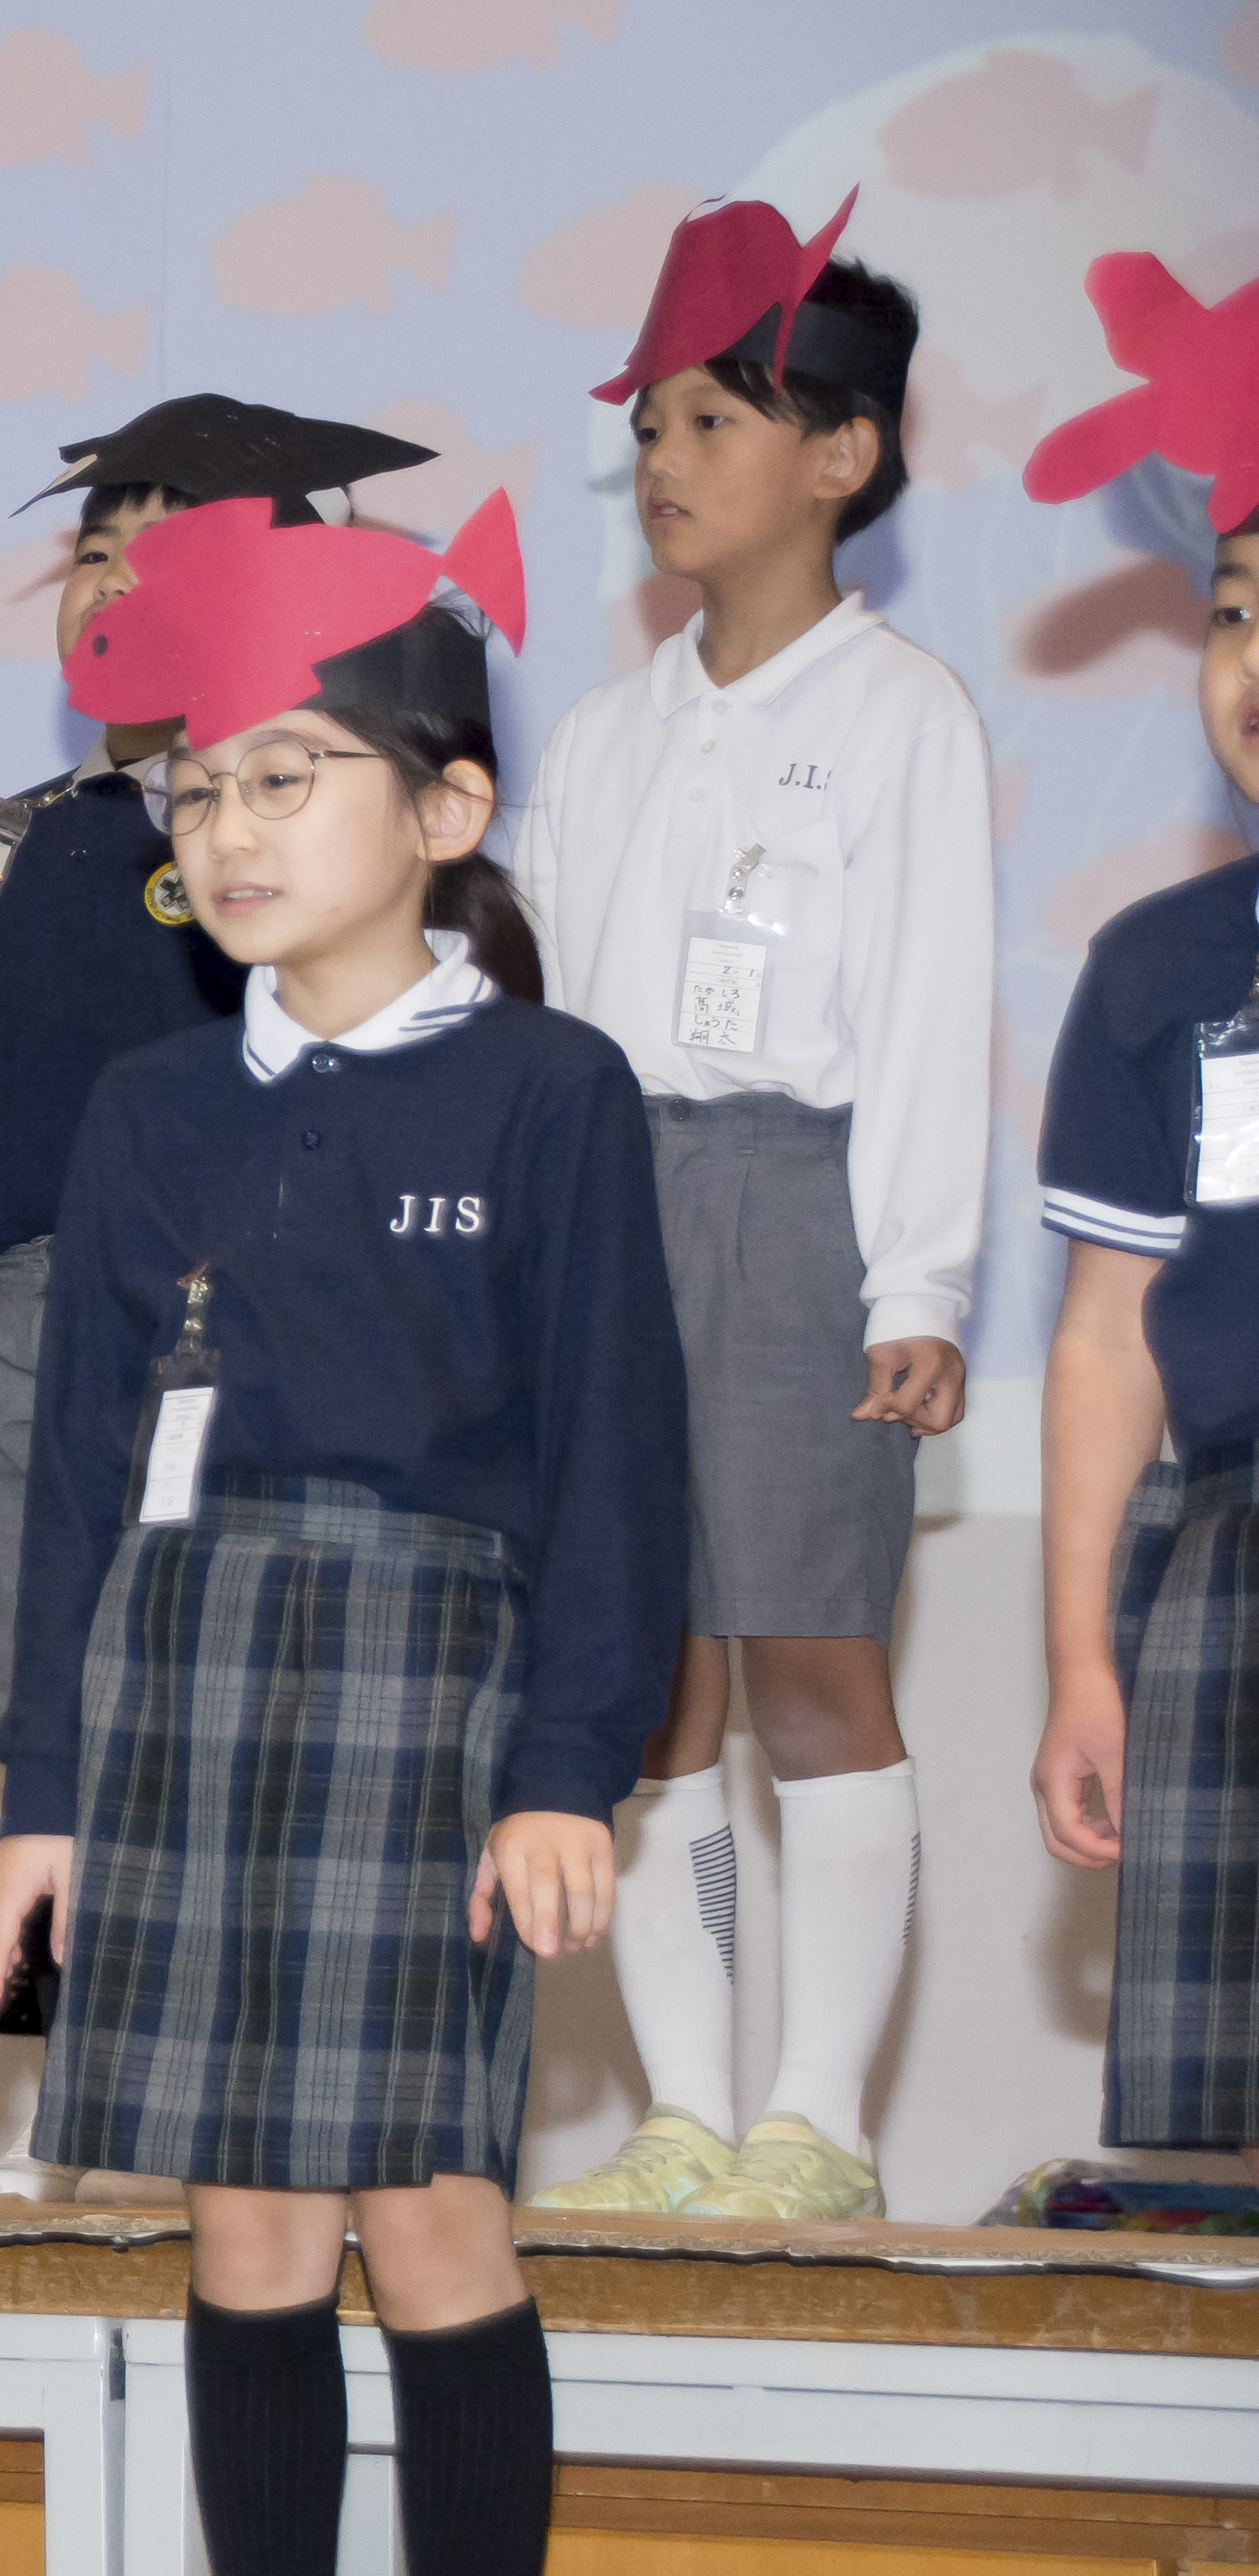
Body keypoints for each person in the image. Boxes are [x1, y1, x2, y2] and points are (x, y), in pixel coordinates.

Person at [0, 491, 685, 2576]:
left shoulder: (549, 1088)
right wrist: (43, 1792)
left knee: (432, 2210)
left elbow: (614, 1456)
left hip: (420, 1680)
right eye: (197, 786)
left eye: (287, 776)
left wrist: (566, 1763)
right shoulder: (150, 1108)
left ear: (444, 811)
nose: (228, 829)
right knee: (240, 2222)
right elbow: (81, 1475)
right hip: (183, 1668)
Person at [0, 403, 422, 2202]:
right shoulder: (20, 834)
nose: (109, 588)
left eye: (157, 556)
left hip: (212, 1332)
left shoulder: (293, 843)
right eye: (91, 557)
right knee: (42, 1707)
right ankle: (65, 2116)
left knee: (200, 1705)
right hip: (8, 1319)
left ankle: (209, 2103)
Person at [523, 196, 985, 2225]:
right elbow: (544, 1013)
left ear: (841, 453)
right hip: (612, 1214)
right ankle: (684, 2114)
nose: (664, 461)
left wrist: (919, 1279)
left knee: (807, 1660)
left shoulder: (899, 712)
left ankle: (820, 2120)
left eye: (712, 421)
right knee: (649, 1682)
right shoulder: (609, 732)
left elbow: (931, 1007)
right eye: (648, 428)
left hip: (799, 1203)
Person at [1020, 254, 1259, 2185]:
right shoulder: (1162, 966)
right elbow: (1107, 1331)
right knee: (1219, 2146)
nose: (1249, 664)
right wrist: (1085, 1659)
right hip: (1227, 1559)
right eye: (1236, 611)